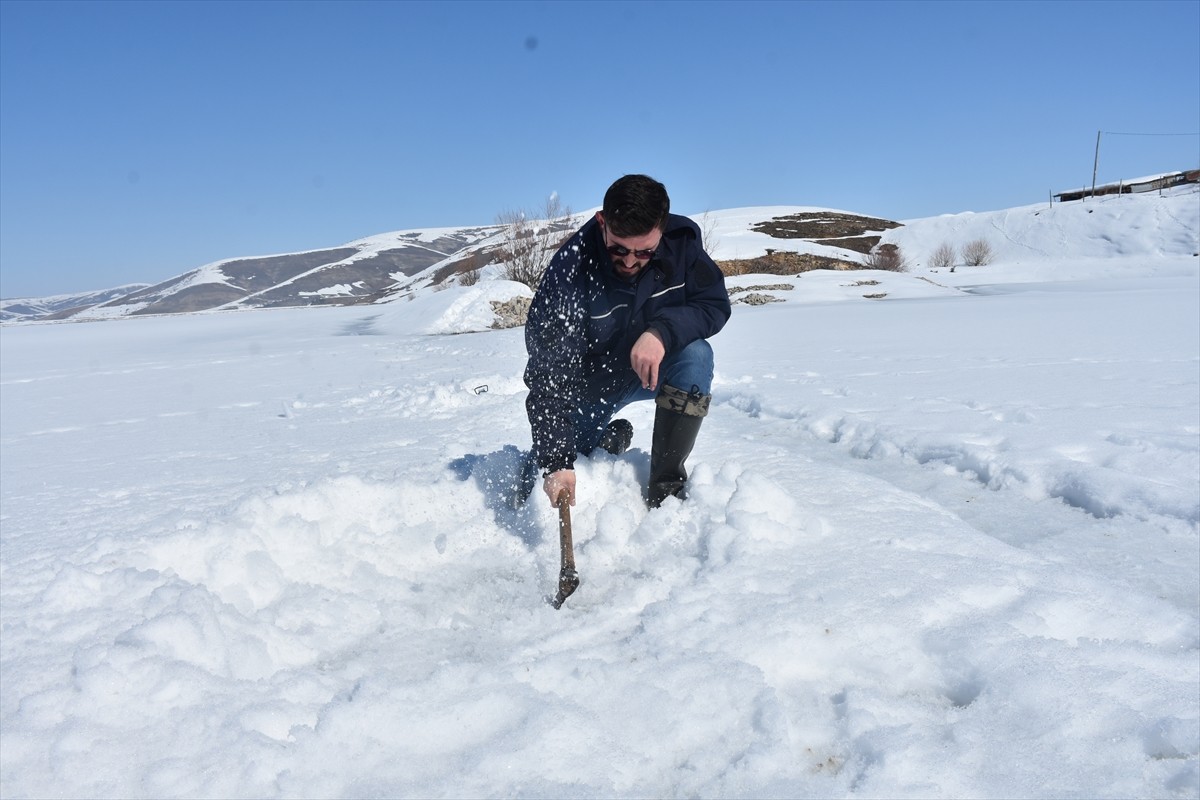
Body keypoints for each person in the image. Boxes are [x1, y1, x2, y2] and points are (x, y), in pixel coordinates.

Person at [520, 174, 731, 509]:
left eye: (645, 252)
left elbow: (713, 304)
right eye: (618, 248)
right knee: (540, 477)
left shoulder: (682, 245)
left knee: (696, 356)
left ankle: (666, 490)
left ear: (662, 229)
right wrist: (557, 460)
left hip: (649, 369)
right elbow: (549, 376)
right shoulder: (569, 272)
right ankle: (603, 439)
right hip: (590, 387)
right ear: (602, 222)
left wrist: (660, 332)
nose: (630, 261)